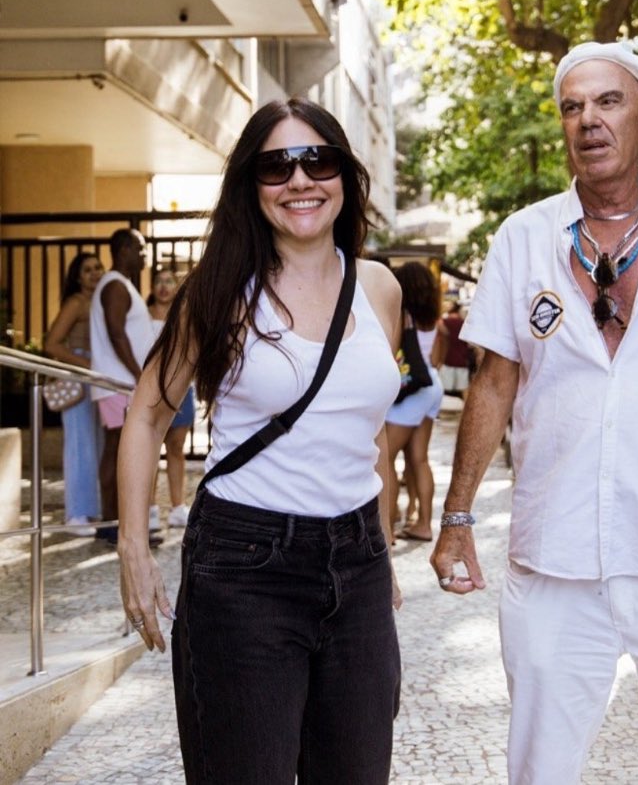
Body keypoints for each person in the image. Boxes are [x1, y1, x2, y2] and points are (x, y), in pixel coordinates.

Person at [430, 41, 638, 785]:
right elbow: (492, 382)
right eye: (572, 106)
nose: (588, 120)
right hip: (555, 555)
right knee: (540, 768)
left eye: (608, 102)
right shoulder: (524, 237)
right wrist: (456, 517)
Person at [117, 98, 403, 785]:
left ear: (344, 176)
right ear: (252, 185)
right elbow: (146, 414)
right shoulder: (220, 292)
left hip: (357, 564)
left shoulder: (380, 289)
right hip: (245, 569)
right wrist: (134, 545)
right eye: (277, 166)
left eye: (318, 160)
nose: (300, 180)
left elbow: (370, 436)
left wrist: (383, 553)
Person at [89, 228, 154, 545]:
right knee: (121, 451)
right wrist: (138, 375)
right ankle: (113, 524)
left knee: (119, 450)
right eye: (141, 249)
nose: (145, 255)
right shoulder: (115, 285)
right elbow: (117, 333)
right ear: (124, 249)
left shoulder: (120, 284)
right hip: (119, 384)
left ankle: (112, 524)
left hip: (121, 384)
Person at [43, 251, 105, 535]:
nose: (94, 272)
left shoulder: (104, 300)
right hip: (80, 379)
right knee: (80, 446)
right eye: (87, 269)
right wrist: (87, 364)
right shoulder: (76, 302)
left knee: (99, 444)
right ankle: (76, 515)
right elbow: (52, 344)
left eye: (98, 267)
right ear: (77, 278)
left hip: (100, 378)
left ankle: (93, 511)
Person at [385, 261, 447, 542]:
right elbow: (436, 354)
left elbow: (391, 351)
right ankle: (423, 522)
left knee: (384, 457)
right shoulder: (433, 317)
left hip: (410, 389)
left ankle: (387, 526)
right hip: (432, 383)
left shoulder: (401, 313)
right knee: (419, 458)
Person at [146, 267, 194, 531]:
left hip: (183, 388)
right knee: (151, 446)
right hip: (153, 388)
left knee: (176, 447)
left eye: (169, 281)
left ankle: (178, 507)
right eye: (158, 281)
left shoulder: (184, 314)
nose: (163, 286)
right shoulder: (142, 316)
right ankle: (150, 507)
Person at [438, 300, 472, 400]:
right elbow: (469, 344)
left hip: (447, 361)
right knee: (464, 390)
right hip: (462, 361)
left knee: (443, 391)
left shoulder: (443, 322)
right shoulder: (464, 324)